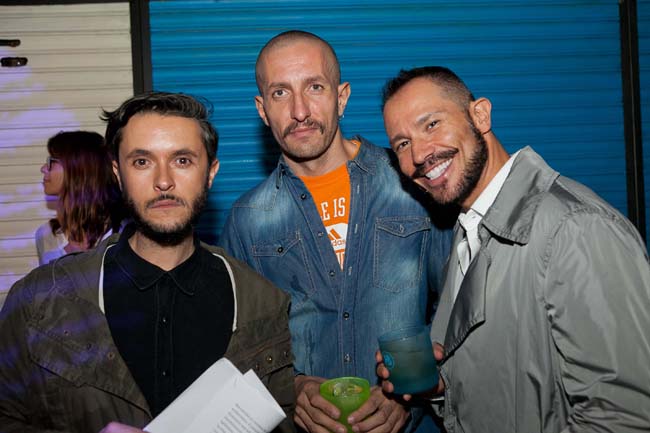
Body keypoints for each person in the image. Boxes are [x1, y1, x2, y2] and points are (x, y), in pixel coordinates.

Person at [0, 92, 295, 433]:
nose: (163, 181)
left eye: (182, 160)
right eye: (142, 162)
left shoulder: (262, 303)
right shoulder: (40, 302)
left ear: (210, 173)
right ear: (117, 173)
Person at [377, 66, 650, 432]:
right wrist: (440, 389)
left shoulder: (577, 228)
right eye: (402, 144)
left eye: (431, 124)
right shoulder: (468, 230)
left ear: (480, 115)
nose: (419, 154)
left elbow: (626, 417)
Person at [219, 31, 451, 433]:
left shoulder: (411, 184)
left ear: (341, 97)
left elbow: (455, 308)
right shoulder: (247, 220)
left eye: (315, 87)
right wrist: (290, 388)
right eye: (280, 93)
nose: (299, 111)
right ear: (262, 109)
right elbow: (239, 348)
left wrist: (409, 393)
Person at [36, 130, 124, 264]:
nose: (43, 168)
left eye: (51, 161)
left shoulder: (122, 231)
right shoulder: (46, 235)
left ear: (78, 169)